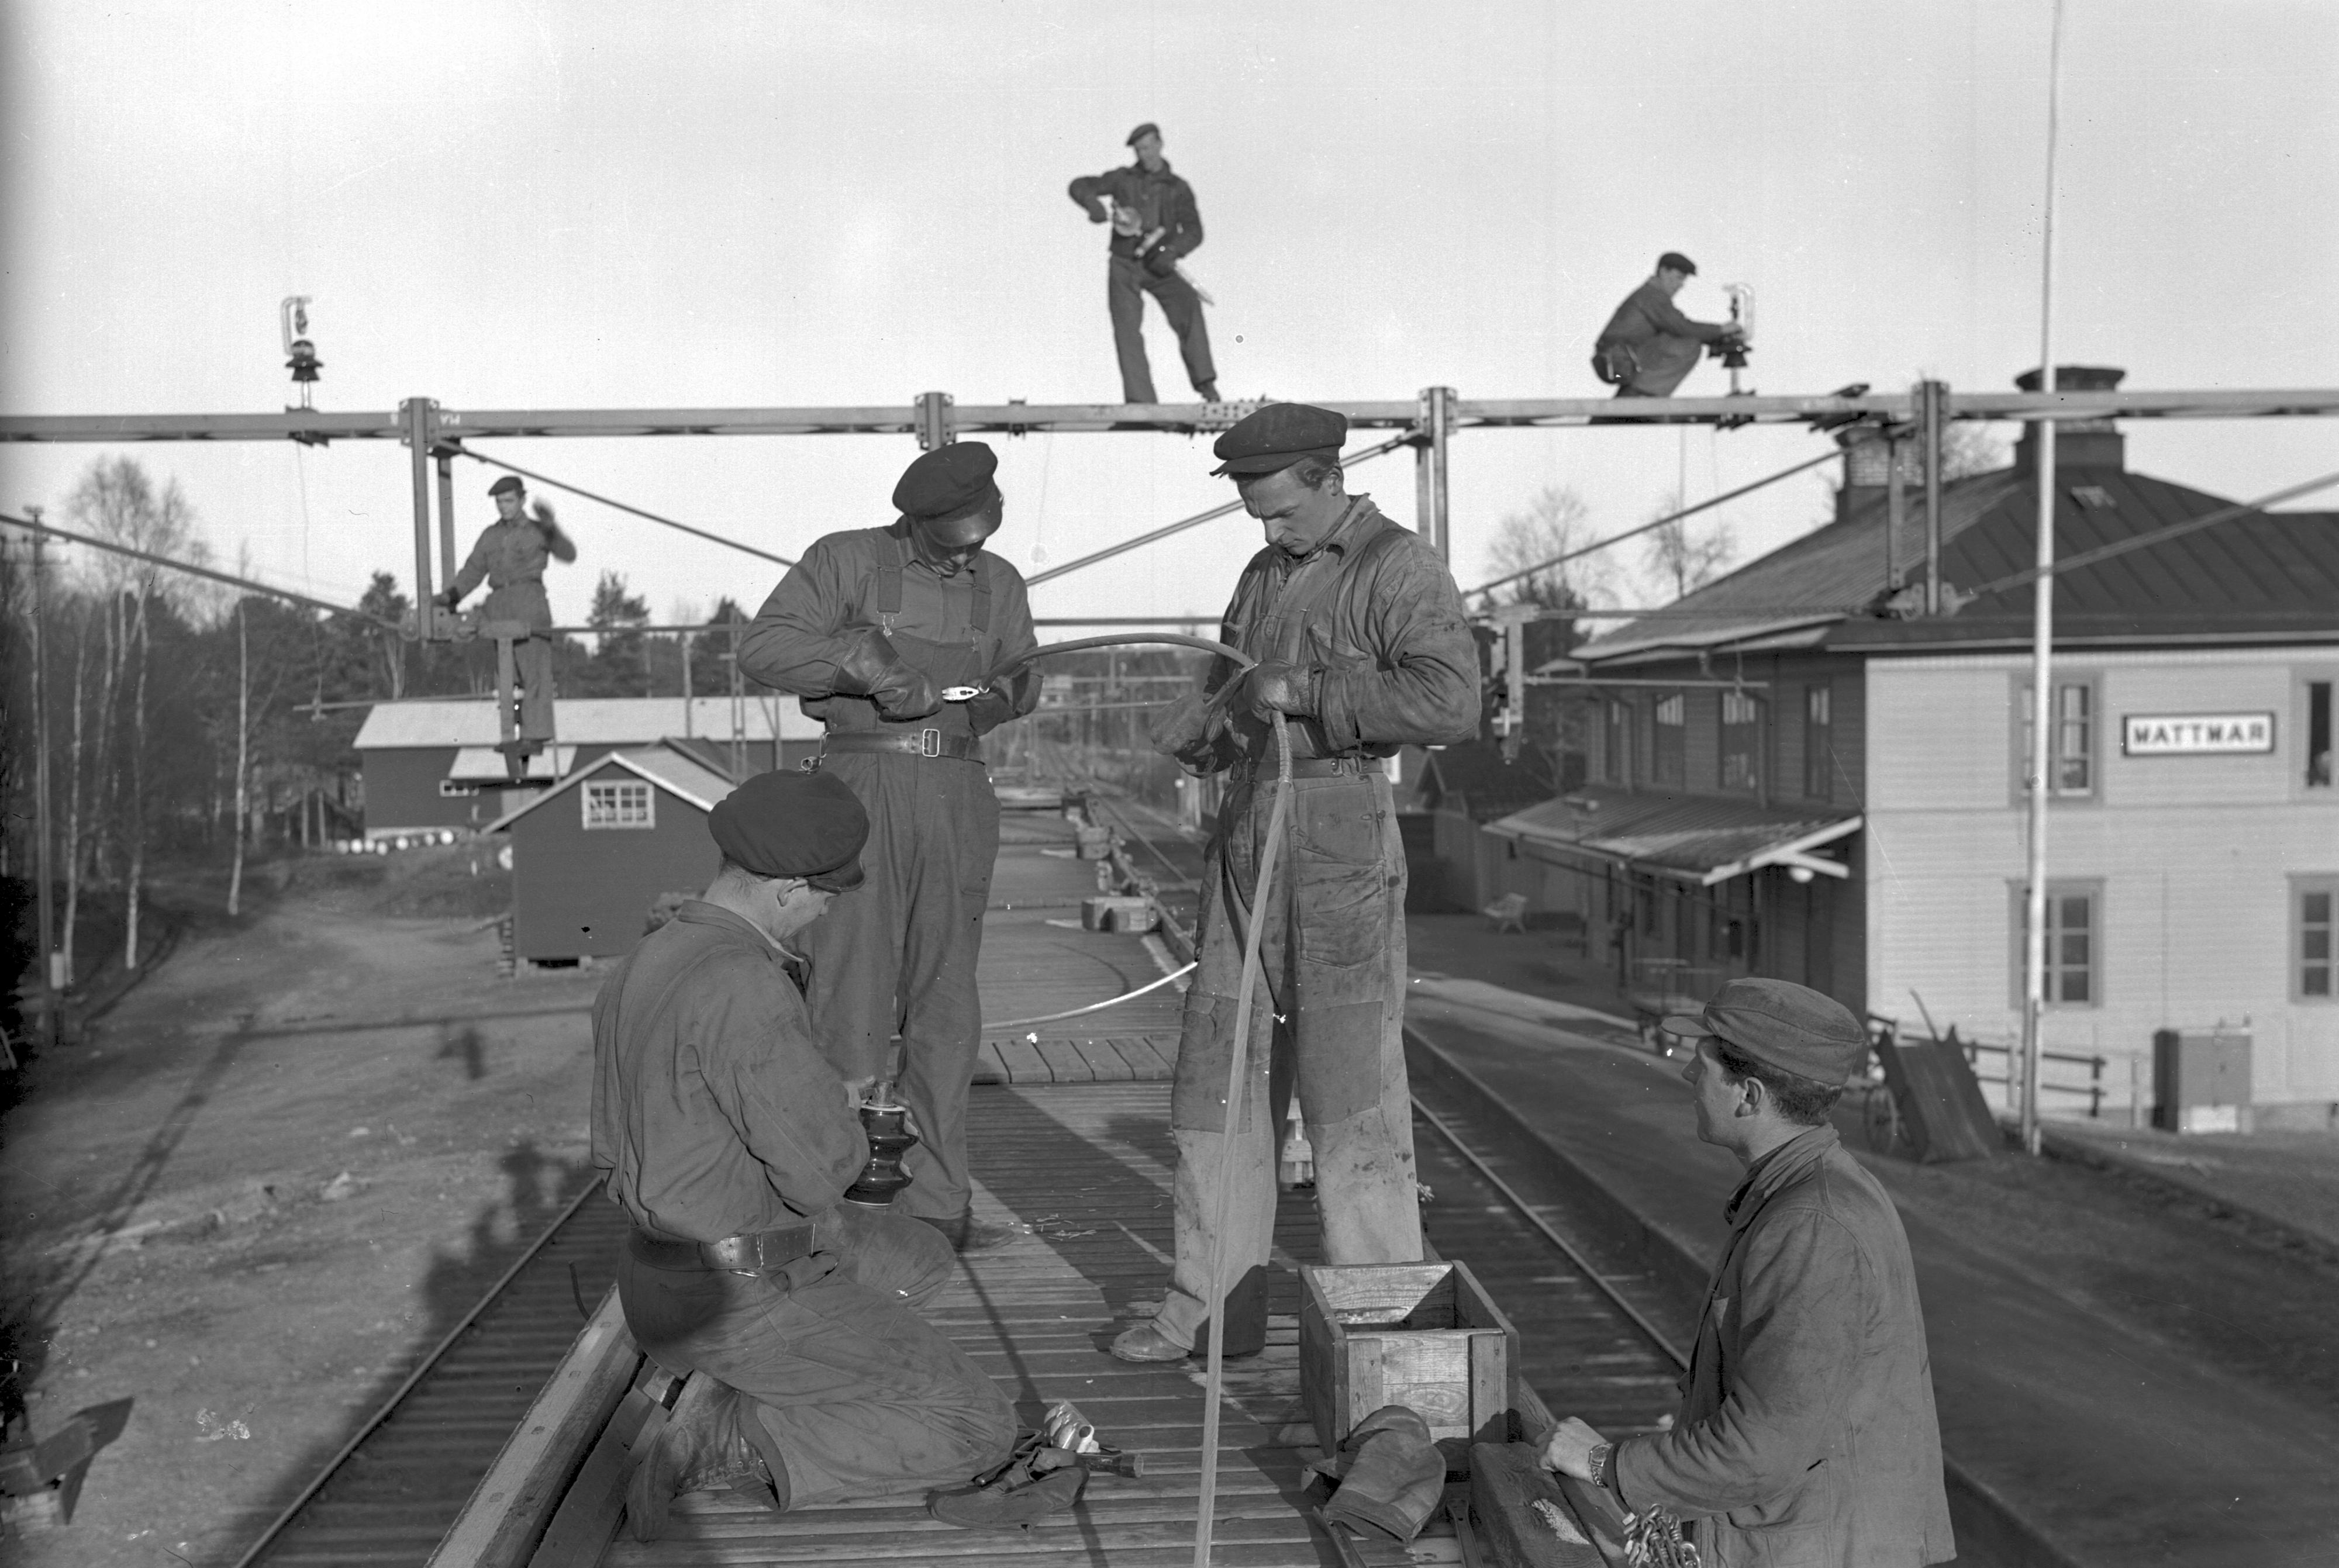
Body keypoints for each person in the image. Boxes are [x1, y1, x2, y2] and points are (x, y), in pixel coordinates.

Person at [1112, 403, 1479, 1362]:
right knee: (1216, 1086)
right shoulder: (1264, 570)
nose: (1268, 531)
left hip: (1338, 833)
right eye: (1254, 515)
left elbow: (1453, 699)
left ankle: (1382, 1339)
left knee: (1349, 1092)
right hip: (1246, 823)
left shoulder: (1401, 566)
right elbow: (1235, 687)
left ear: (1327, 477)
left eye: (1279, 511)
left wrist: (1313, 690)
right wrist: (1201, 728)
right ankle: (1210, 1312)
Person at [594, 769, 1023, 1538]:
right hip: (738, 1296)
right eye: (827, 894)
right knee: (977, 1421)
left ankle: (757, 1381)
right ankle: (728, 1436)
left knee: (916, 1253)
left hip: (659, 1272)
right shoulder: (745, 985)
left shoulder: (651, 957)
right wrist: (845, 1114)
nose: (828, 910)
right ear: (788, 887)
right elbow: (822, 1173)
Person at [1539, 978, 1955, 1567]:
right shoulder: (1818, 1188)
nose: (1687, 1075)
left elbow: (1760, 1452)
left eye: (1702, 1064)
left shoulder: (1812, 1226)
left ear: (1749, 1096)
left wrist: (1607, 1464)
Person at [738, 441, 1040, 1253]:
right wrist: (861, 662)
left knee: (948, 1003)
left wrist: (998, 696)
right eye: (955, 538)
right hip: (861, 788)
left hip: (957, 795)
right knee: (849, 994)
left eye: (982, 532)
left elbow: (1023, 675)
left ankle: (942, 1203)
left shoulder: (1001, 582)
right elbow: (761, 646)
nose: (971, 549)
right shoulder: (845, 561)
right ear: (916, 522)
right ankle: (834, 1196)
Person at [1068, 122, 1221, 405]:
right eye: (1139, 150)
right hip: (1125, 265)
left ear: (1160, 145)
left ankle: (1207, 386)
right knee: (1127, 327)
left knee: (1188, 305)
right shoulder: (1122, 179)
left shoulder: (1178, 188)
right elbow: (1079, 185)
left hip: (1160, 265)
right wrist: (1093, 204)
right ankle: (1142, 402)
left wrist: (1173, 251)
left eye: (1149, 147)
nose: (1145, 154)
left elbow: (1194, 231)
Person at [437, 474, 576, 754]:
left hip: (529, 600)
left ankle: (535, 735)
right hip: (499, 604)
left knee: (534, 671)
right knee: (506, 675)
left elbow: (568, 554)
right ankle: (511, 733)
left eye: (509, 501)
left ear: (522, 500)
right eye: (499, 502)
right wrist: (451, 596)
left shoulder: (539, 530)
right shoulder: (491, 535)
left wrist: (552, 527)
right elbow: (473, 570)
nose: (504, 507)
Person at [1592, 252, 1747, 399]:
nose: (1681, 285)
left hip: (1623, 357)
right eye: (1678, 278)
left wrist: (1716, 338)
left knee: (1680, 339)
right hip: (1617, 359)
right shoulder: (1651, 296)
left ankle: (1642, 391)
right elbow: (1681, 327)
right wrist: (1722, 330)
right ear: (1663, 271)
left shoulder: (1653, 297)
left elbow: (1678, 325)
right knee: (1689, 345)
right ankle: (1644, 394)